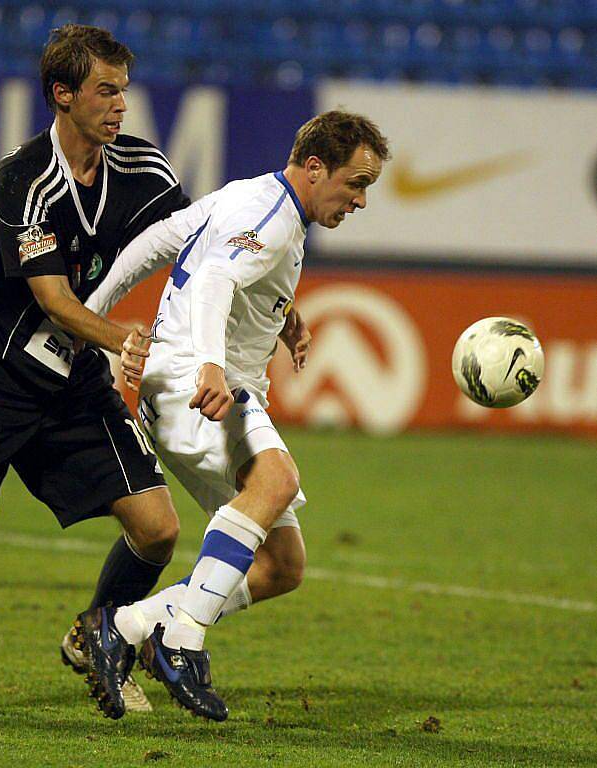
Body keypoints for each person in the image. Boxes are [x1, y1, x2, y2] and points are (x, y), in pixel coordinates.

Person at [0, 24, 192, 719]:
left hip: (72, 386)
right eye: (105, 90)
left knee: (157, 529)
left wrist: (274, 302)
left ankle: (96, 636)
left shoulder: (143, 171)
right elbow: (53, 300)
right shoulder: (22, 182)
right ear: (62, 94)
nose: (121, 104)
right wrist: (121, 338)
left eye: (124, 89)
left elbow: (206, 238)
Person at [80, 111, 390, 720]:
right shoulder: (271, 219)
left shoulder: (248, 196)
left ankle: (124, 624)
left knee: (282, 566)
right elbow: (220, 275)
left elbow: (160, 242)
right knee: (276, 479)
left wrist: (91, 311)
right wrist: (213, 366)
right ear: (315, 167)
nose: (359, 200)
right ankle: (182, 639)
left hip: (182, 384)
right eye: (355, 184)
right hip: (203, 386)